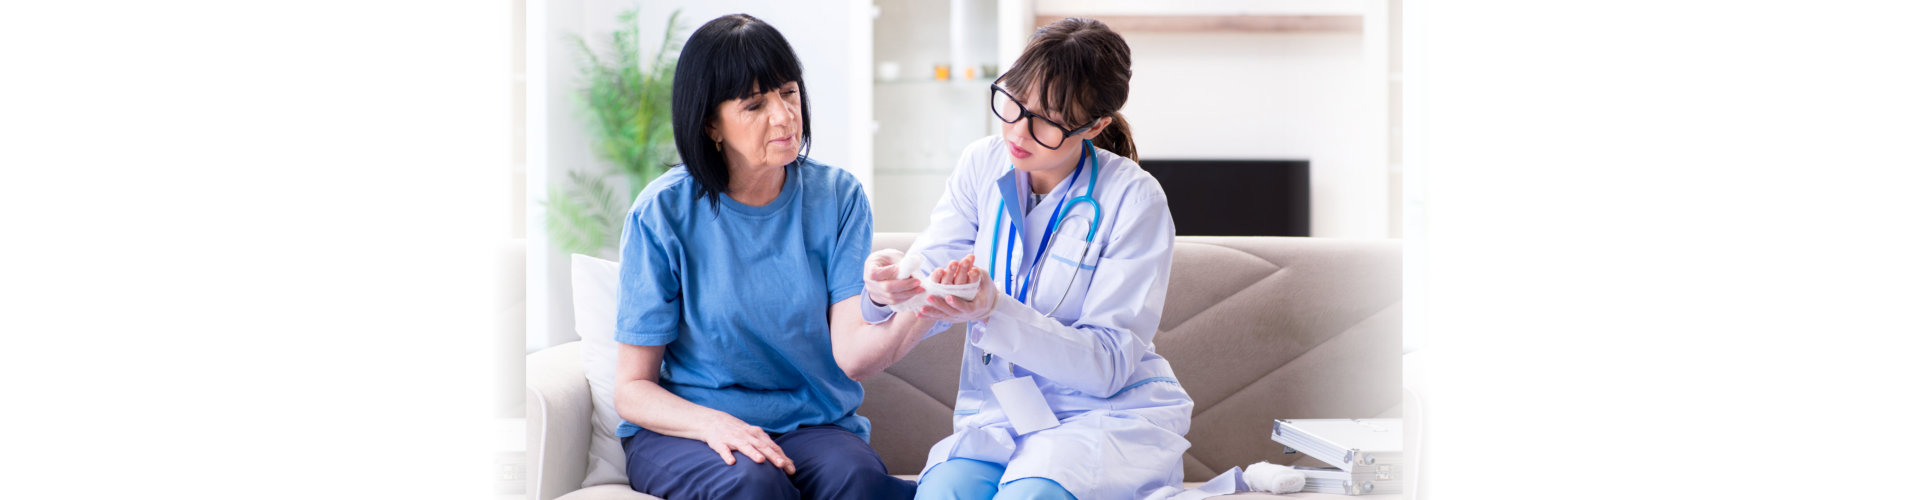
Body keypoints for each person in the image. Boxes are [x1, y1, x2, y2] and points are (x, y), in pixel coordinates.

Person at [861, 17, 1194, 500]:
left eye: (1047, 120)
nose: (1018, 130)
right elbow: (929, 273)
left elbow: (1106, 366)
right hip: (1002, 416)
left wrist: (993, 309)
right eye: (1013, 103)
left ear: (1095, 125)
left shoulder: (1135, 199)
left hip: (1099, 417)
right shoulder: (983, 163)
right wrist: (886, 291)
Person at [610, 13, 927, 500]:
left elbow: (851, 349)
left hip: (812, 424)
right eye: (755, 105)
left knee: (859, 481)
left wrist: (920, 303)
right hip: (690, 430)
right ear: (711, 124)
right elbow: (632, 388)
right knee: (754, 484)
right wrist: (715, 425)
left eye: (789, 92)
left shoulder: (838, 197)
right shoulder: (662, 212)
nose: (783, 116)